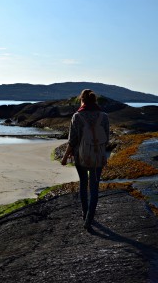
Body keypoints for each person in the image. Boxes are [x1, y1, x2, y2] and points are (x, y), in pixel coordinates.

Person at [61, 89, 109, 231]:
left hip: (81, 157)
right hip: (98, 157)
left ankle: (84, 213)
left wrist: (65, 157)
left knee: (83, 184)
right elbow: (106, 139)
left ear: (82, 100)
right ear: (94, 101)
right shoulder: (104, 116)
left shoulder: (77, 116)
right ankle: (89, 218)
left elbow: (72, 140)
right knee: (94, 187)